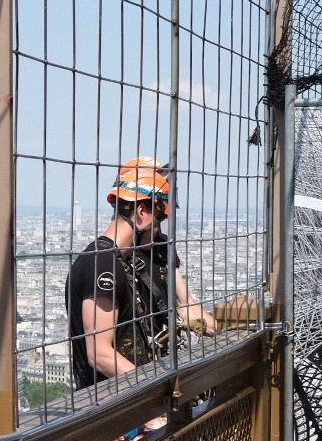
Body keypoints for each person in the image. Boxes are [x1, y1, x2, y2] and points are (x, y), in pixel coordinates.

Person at [65, 157, 217, 390]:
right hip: (114, 406)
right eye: (158, 222)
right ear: (141, 212)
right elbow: (99, 354)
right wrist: (160, 389)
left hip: (130, 397)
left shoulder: (121, 259)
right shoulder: (103, 265)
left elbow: (187, 304)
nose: (158, 232)